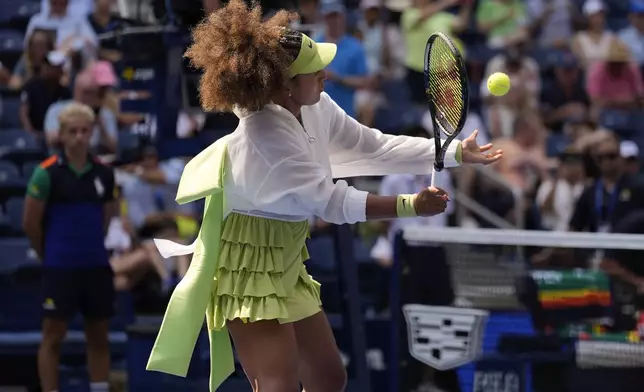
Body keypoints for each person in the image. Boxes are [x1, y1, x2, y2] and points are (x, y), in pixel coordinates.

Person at [145, 1, 502, 391]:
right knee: (277, 386)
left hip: (288, 254)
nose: (325, 75)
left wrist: (451, 152)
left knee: (329, 378)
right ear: (283, 86)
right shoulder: (264, 138)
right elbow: (331, 203)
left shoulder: (316, 106)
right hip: (246, 263)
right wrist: (410, 206)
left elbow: (374, 147)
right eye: (313, 71)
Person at [22, 102, 116, 392]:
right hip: (59, 269)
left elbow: (107, 218)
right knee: (52, 336)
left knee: (99, 335)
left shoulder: (104, 173)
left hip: (95, 266)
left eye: (84, 131)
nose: (79, 137)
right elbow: (30, 224)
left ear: (91, 134)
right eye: (72, 131)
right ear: (61, 135)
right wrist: (47, 253)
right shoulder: (46, 173)